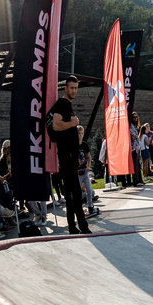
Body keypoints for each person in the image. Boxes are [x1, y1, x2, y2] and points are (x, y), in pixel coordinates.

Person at [47, 76, 90, 234]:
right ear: (65, 88)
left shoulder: (67, 105)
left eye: (75, 88)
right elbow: (56, 125)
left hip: (69, 155)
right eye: (71, 88)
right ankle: (83, 227)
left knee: (73, 194)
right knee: (76, 193)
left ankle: (73, 227)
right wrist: (73, 123)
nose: (74, 90)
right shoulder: (62, 104)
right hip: (67, 156)